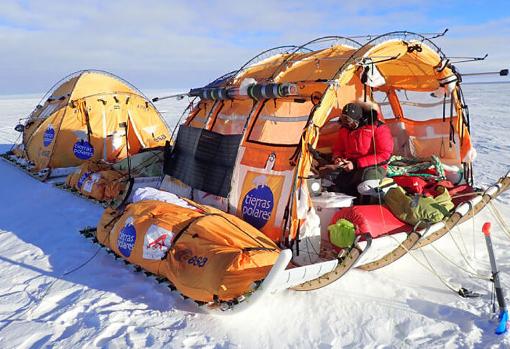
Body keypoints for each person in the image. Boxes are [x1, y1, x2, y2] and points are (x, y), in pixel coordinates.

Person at [321, 102, 394, 201]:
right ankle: (345, 207)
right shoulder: (344, 129)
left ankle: (386, 195)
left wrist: (355, 164)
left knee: (365, 187)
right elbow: (338, 149)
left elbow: (384, 155)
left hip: (373, 166)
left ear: (358, 119)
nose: (347, 124)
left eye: (349, 121)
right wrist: (337, 158)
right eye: (344, 120)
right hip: (350, 166)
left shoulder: (378, 128)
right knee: (328, 180)